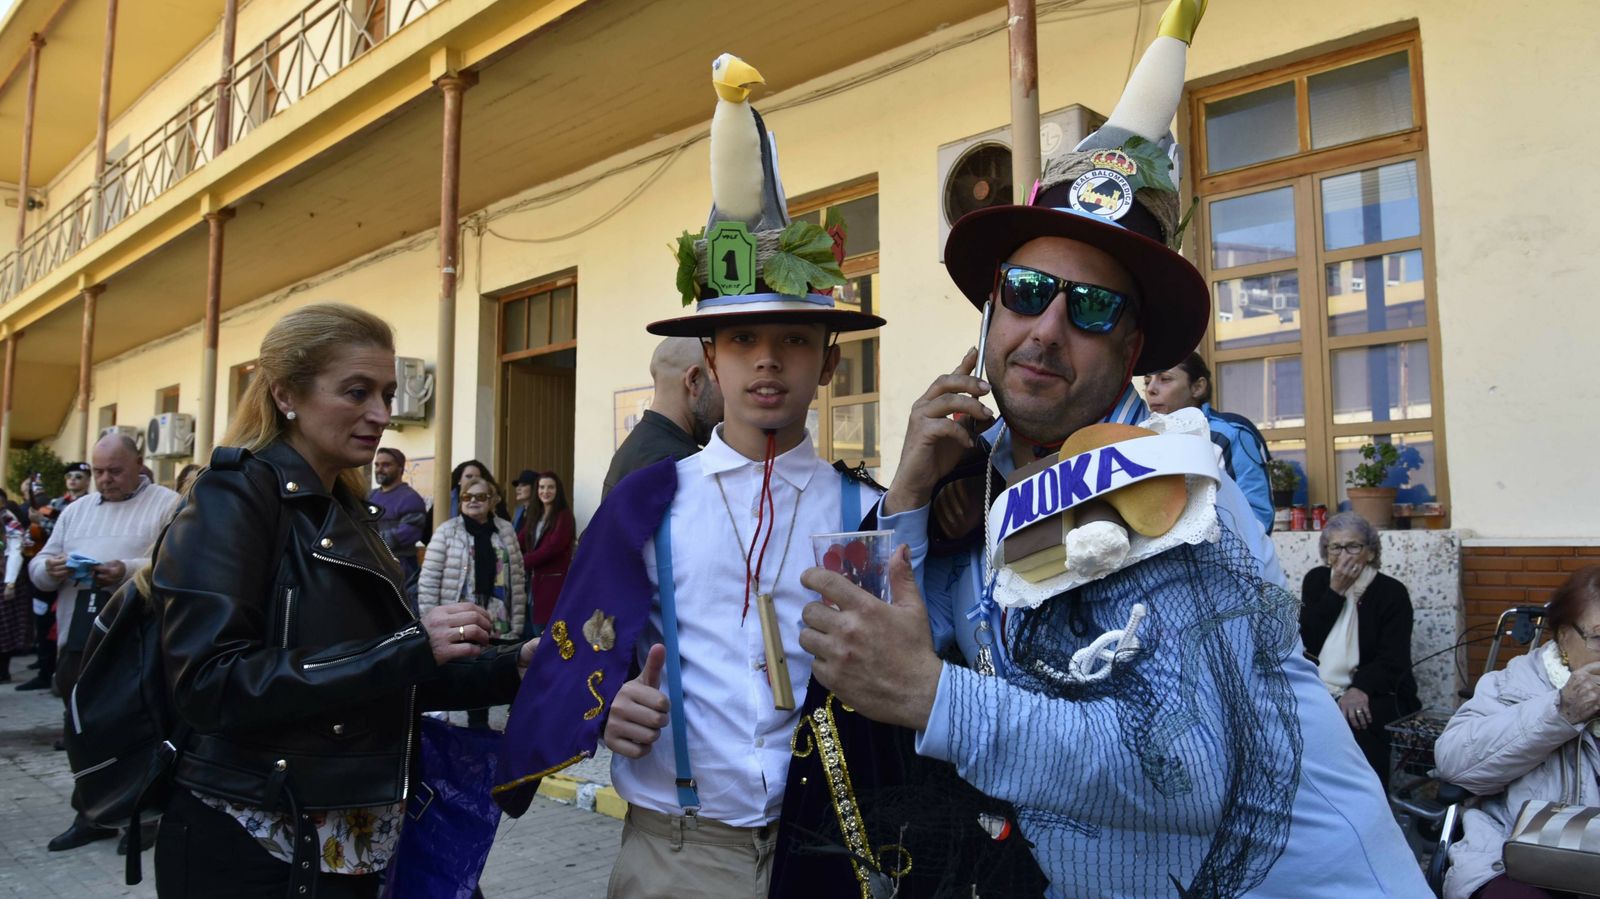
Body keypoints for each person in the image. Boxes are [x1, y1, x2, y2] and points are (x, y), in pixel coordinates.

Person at [790, 4, 1430, 895]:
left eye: (1091, 308)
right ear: (991, 309)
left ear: (1132, 349)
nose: (1048, 328)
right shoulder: (981, 474)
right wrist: (906, 493)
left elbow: (1179, 769)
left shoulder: (1165, 483)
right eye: (1027, 290)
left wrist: (937, 698)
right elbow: (885, 654)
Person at [494, 53, 912, 898]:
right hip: (676, 854)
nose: (768, 360)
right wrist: (611, 706)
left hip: (826, 851)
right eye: (743, 340)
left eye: (794, 340)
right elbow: (585, 648)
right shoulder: (649, 503)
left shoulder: (864, 511)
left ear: (829, 363)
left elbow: (889, 677)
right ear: (710, 362)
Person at [148, 303, 535, 899]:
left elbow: (387, 676)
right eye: (357, 392)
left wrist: (513, 668)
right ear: (286, 394)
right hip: (257, 840)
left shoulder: (347, 509)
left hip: (354, 835)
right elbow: (210, 682)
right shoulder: (233, 495)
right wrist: (408, 646)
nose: (381, 414)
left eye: (387, 393)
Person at [31, 434, 181, 852]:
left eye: (114, 471)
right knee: (81, 729)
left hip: (138, 645)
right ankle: (91, 813)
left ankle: (144, 816)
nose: (105, 479)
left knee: (140, 728)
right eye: (98, 471)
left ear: (139, 464)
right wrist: (50, 569)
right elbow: (38, 568)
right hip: (79, 636)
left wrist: (126, 570)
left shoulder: (167, 505)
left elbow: (177, 564)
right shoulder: (76, 511)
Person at [1434, 566, 1600, 899]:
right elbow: (1453, 762)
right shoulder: (1513, 685)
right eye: (1599, 637)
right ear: (1564, 637)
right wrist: (1560, 713)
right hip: (1516, 858)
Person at [1299, 511, 1420, 783]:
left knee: (1359, 718)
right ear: (1327, 554)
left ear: (1370, 552)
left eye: (1353, 546)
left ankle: (1369, 796)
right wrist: (1335, 593)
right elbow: (1307, 641)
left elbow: (1393, 659)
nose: (1345, 555)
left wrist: (1359, 688)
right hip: (1320, 685)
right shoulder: (1316, 581)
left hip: (1378, 690)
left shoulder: (1391, 592)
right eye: (1336, 547)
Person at [417, 471, 526, 729]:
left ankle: (489, 729)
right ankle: (477, 728)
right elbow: (429, 581)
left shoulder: (505, 530)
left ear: (492, 500)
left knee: (498, 673)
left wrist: (518, 622)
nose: (473, 501)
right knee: (470, 673)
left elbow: (518, 577)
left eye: (481, 497)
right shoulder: (447, 531)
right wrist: (430, 622)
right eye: (467, 497)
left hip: (498, 616)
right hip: (462, 618)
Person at [1144, 351, 1274, 532]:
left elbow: (1257, 517)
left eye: (1165, 379)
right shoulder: (1144, 439)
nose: (1151, 389)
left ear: (1198, 387)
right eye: (1147, 381)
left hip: (1227, 549)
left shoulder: (1231, 434)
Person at [602, 336, 725, 499]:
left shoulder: (632, 450)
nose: (727, 399)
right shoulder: (682, 466)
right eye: (721, 381)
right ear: (694, 380)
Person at [520, 471, 574, 637]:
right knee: (533, 636)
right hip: (533, 587)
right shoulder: (535, 515)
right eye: (542, 487)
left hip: (553, 587)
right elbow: (519, 540)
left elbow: (551, 549)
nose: (545, 491)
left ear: (558, 490)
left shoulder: (564, 516)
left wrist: (521, 561)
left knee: (549, 635)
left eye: (550, 487)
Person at [369, 446, 428, 585]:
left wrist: (368, 540)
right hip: (371, 563)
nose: (379, 469)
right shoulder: (370, 496)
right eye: (377, 465)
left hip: (400, 567)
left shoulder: (411, 499)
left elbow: (405, 535)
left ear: (400, 468)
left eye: (386, 465)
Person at [0, 494, 27, 682]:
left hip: (5, 578)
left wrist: (10, 582)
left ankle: (3, 671)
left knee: (4, 629)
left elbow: (16, 551)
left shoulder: (9, 521)